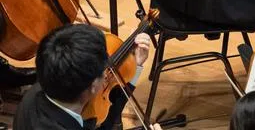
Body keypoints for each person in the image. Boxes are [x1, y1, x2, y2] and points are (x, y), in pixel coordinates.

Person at [13, 22, 151, 130]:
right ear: (93, 86)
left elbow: (103, 125)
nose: (108, 74)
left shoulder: (34, 94)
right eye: (104, 72)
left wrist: (135, 66)